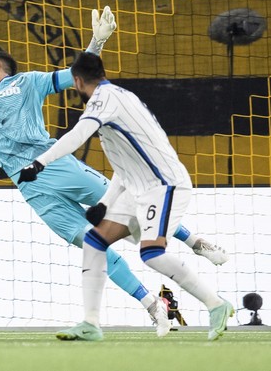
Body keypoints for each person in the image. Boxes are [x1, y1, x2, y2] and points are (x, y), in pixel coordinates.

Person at [0, 3, 228, 328]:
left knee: (132, 201)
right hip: (28, 186)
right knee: (92, 244)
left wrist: (97, 43)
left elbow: (74, 75)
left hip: (55, 166)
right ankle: (152, 304)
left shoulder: (27, 82)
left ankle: (195, 242)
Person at [18, 51, 235, 341]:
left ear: (78, 81)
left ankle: (216, 304)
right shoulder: (120, 98)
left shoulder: (103, 101)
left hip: (164, 184)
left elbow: (77, 135)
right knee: (95, 242)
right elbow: (124, 167)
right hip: (138, 188)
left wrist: (39, 162)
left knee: (152, 253)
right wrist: (105, 203)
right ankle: (91, 324)